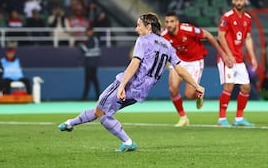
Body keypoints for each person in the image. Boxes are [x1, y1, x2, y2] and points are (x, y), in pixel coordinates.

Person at [58, 13, 205, 152]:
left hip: (129, 83)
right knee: (101, 110)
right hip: (141, 91)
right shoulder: (168, 46)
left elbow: (135, 63)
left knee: (103, 113)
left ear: (148, 27)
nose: (136, 29)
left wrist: (122, 86)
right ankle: (70, 123)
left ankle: (128, 142)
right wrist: (197, 85)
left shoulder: (143, 40)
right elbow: (180, 69)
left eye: (139, 25)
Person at [162, 11, 228, 126]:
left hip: (195, 61)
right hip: (179, 61)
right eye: (167, 22)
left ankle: (198, 95)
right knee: (173, 89)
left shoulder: (188, 30)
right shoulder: (164, 35)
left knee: (188, 94)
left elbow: (208, 35)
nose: (169, 24)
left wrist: (221, 52)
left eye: (172, 21)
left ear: (177, 22)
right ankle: (183, 118)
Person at [216, 0, 257, 127]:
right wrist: (228, 54)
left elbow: (248, 38)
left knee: (246, 88)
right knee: (229, 86)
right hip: (226, 58)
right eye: (237, 0)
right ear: (233, 1)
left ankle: (239, 118)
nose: (239, 2)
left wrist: (253, 58)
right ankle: (222, 119)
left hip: (239, 59)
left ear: (245, 1)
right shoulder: (227, 17)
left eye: (241, 0)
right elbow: (220, 36)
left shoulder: (248, 19)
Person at [80, 27, 101, 100]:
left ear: (91, 32)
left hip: (90, 63)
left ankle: (85, 97)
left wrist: (81, 45)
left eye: (88, 31)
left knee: (89, 79)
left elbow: (86, 50)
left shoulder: (91, 39)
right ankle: (97, 96)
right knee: (93, 79)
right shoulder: (96, 39)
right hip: (94, 62)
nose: (87, 33)